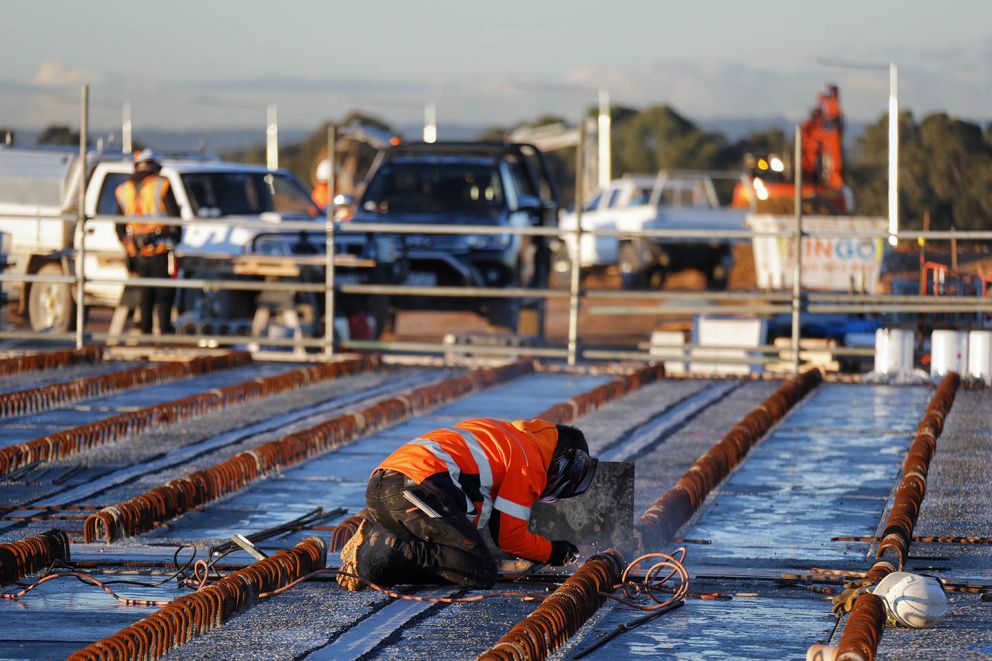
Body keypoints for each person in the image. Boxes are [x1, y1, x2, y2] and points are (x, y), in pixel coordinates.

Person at [337, 418, 598, 591]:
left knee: (455, 554)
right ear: (564, 462)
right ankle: (382, 551)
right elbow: (509, 537)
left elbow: (470, 527)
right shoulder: (529, 460)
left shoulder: (505, 434)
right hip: (414, 490)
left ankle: (379, 548)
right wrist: (556, 552)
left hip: (385, 489)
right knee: (479, 571)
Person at [114, 150, 181, 335]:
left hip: (137, 251)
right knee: (164, 293)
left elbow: (118, 225)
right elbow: (176, 217)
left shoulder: (123, 189)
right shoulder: (162, 185)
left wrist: (128, 244)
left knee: (145, 292)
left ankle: (145, 330)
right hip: (159, 247)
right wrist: (175, 239)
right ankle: (165, 331)